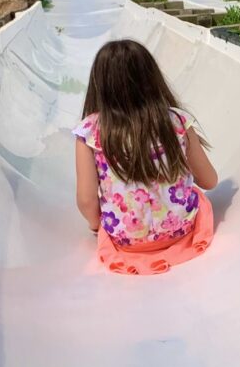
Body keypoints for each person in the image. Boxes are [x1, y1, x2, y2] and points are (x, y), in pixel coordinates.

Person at [73, 39, 218, 276]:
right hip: (181, 231)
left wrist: (98, 227)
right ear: (152, 79)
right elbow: (209, 181)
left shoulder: (90, 132)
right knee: (196, 195)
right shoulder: (177, 121)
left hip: (124, 239)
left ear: (100, 85)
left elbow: (86, 200)